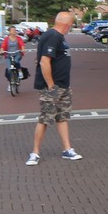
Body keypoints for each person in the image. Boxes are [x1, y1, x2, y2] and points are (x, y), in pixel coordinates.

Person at [26, 12, 82, 165]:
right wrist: (51, 85)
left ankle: (67, 149)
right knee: (45, 118)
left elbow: (40, 58)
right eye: (71, 24)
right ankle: (35, 153)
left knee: (62, 117)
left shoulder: (57, 37)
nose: (71, 26)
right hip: (53, 87)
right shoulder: (53, 36)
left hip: (63, 86)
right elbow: (44, 61)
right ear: (67, 24)